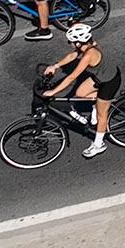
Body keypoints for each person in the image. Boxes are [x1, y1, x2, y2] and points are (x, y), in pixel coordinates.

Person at [40, 24, 117, 157]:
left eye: (70, 41)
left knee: (101, 115)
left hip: (109, 81)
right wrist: (55, 66)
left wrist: (53, 92)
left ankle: (99, 144)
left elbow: (71, 77)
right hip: (102, 76)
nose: (69, 43)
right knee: (80, 93)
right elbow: (71, 57)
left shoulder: (89, 55)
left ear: (78, 42)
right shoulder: (88, 44)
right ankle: (97, 104)